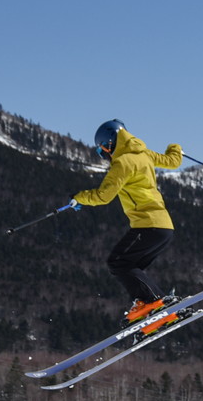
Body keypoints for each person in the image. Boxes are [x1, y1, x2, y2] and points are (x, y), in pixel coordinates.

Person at [69, 119, 183, 329]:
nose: (104, 156)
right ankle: (149, 308)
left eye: (102, 150)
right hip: (164, 227)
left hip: (148, 225)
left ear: (110, 144)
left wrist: (79, 198)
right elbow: (173, 161)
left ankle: (157, 302)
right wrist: (175, 148)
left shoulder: (123, 162)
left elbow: (103, 196)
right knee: (131, 267)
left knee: (118, 262)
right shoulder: (145, 154)